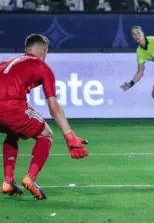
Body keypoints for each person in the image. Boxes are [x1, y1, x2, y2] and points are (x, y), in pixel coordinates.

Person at [0, 34, 89, 200]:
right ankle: (31, 178)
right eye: (46, 51)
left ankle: (7, 181)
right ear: (43, 50)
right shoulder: (41, 66)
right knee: (46, 134)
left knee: (12, 134)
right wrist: (70, 137)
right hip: (11, 106)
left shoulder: (7, 61)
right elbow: (53, 106)